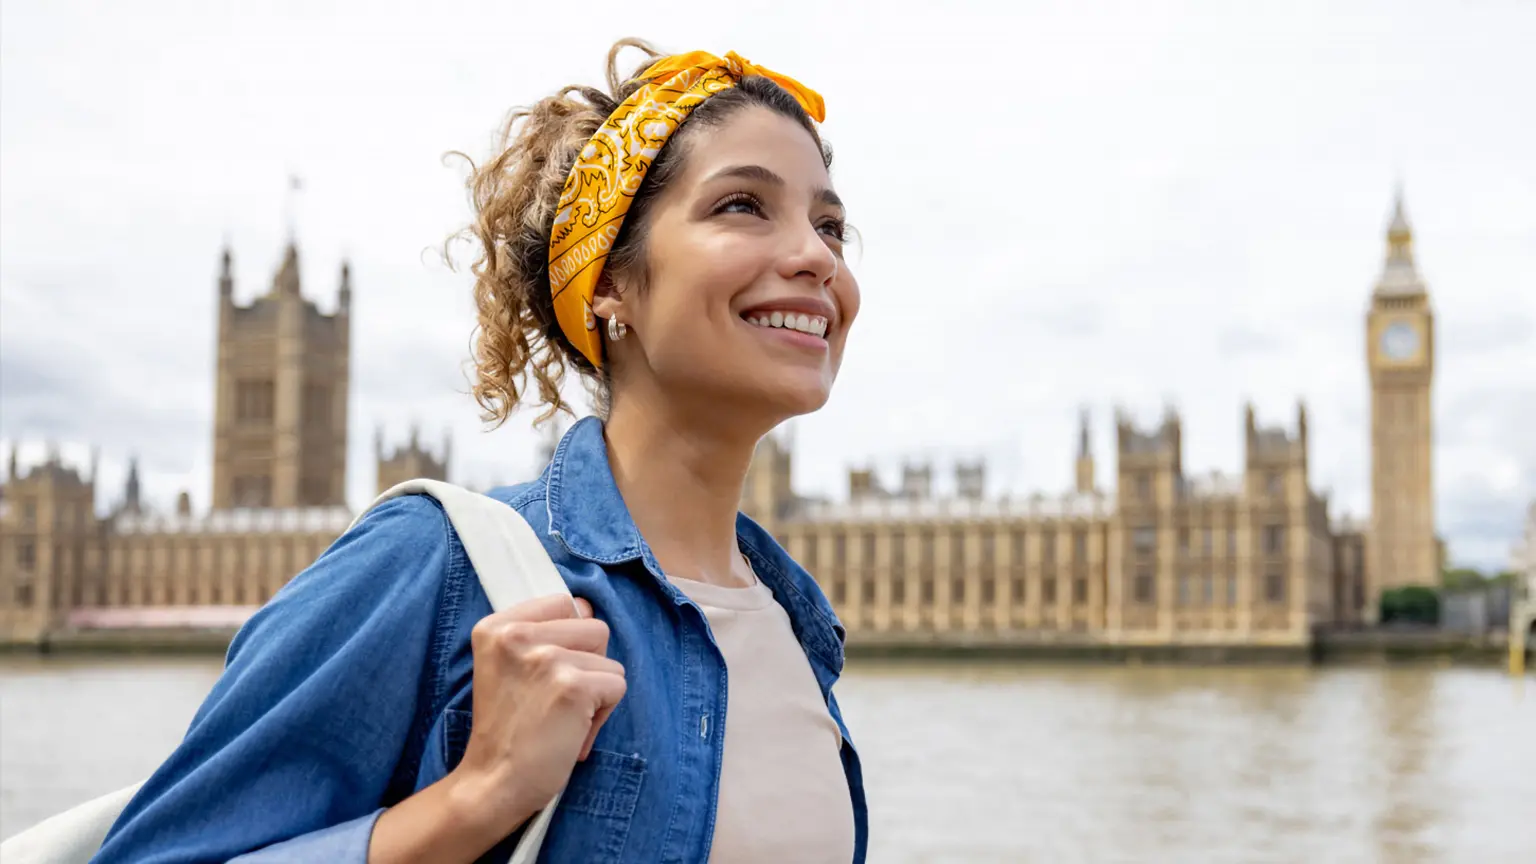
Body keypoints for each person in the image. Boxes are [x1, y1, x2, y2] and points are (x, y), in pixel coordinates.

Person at [93, 38, 866, 864]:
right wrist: (478, 795)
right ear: (608, 282)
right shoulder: (440, 563)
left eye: (831, 224)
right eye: (742, 205)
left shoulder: (799, 627)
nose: (817, 255)